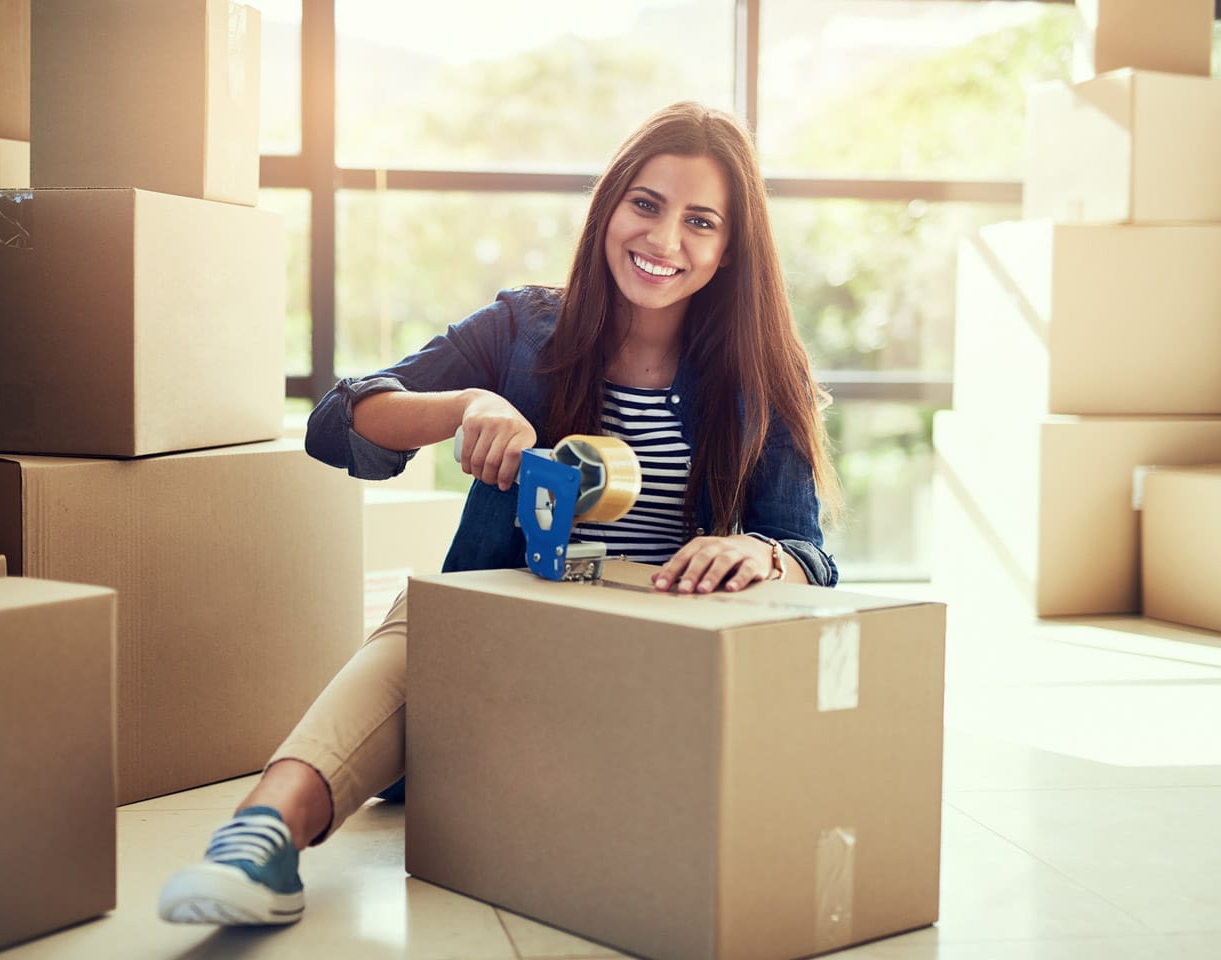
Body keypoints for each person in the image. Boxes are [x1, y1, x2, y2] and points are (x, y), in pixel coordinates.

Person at [157, 100, 840, 926]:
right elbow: (337, 425)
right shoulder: (526, 329)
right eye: (647, 206)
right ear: (610, 207)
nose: (664, 243)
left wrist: (765, 553)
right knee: (430, 621)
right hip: (507, 645)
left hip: (658, 659)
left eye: (701, 222)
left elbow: (810, 549)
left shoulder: (764, 375)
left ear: (731, 250)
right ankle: (260, 839)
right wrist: (466, 405)